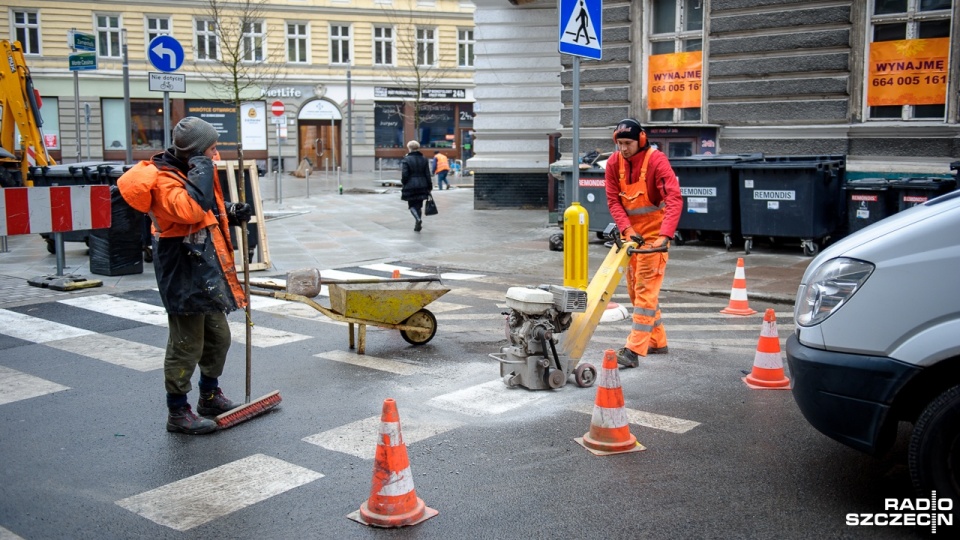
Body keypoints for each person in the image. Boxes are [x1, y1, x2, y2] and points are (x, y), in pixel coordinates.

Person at [117, 117, 252, 434]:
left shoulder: (184, 169)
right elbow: (189, 208)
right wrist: (203, 165)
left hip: (201, 267)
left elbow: (201, 207)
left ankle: (209, 395)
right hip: (181, 269)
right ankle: (177, 411)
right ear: (196, 151)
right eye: (212, 149)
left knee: (218, 337)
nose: (216, 155)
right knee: (186, 343)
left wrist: (230, 211)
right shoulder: (163, 178)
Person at [604, 118, 682, 368]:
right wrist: (627, 229)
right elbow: (613, 201)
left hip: (655, 238)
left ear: (641, 140)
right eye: (620, 143)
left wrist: (665, 235)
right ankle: (657, 341)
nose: (623, 148)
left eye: (628, 143)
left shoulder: (657, 160)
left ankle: (633, 350)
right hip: (633, 239)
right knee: (635, 290)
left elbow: (674, 199)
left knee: (645, 292)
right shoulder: (614, 163)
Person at [400, 140, 432, 232]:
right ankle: (417, 225)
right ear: (418, 148)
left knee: (411, 205)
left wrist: (404, 182)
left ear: (409, 148)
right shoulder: (424, 159)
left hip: (410, 185)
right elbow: (427, 174)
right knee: (419, 205)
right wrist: (429, 186)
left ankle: (418, 219)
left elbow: (405, 174)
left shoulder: (406, 159)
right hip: (423, 184)